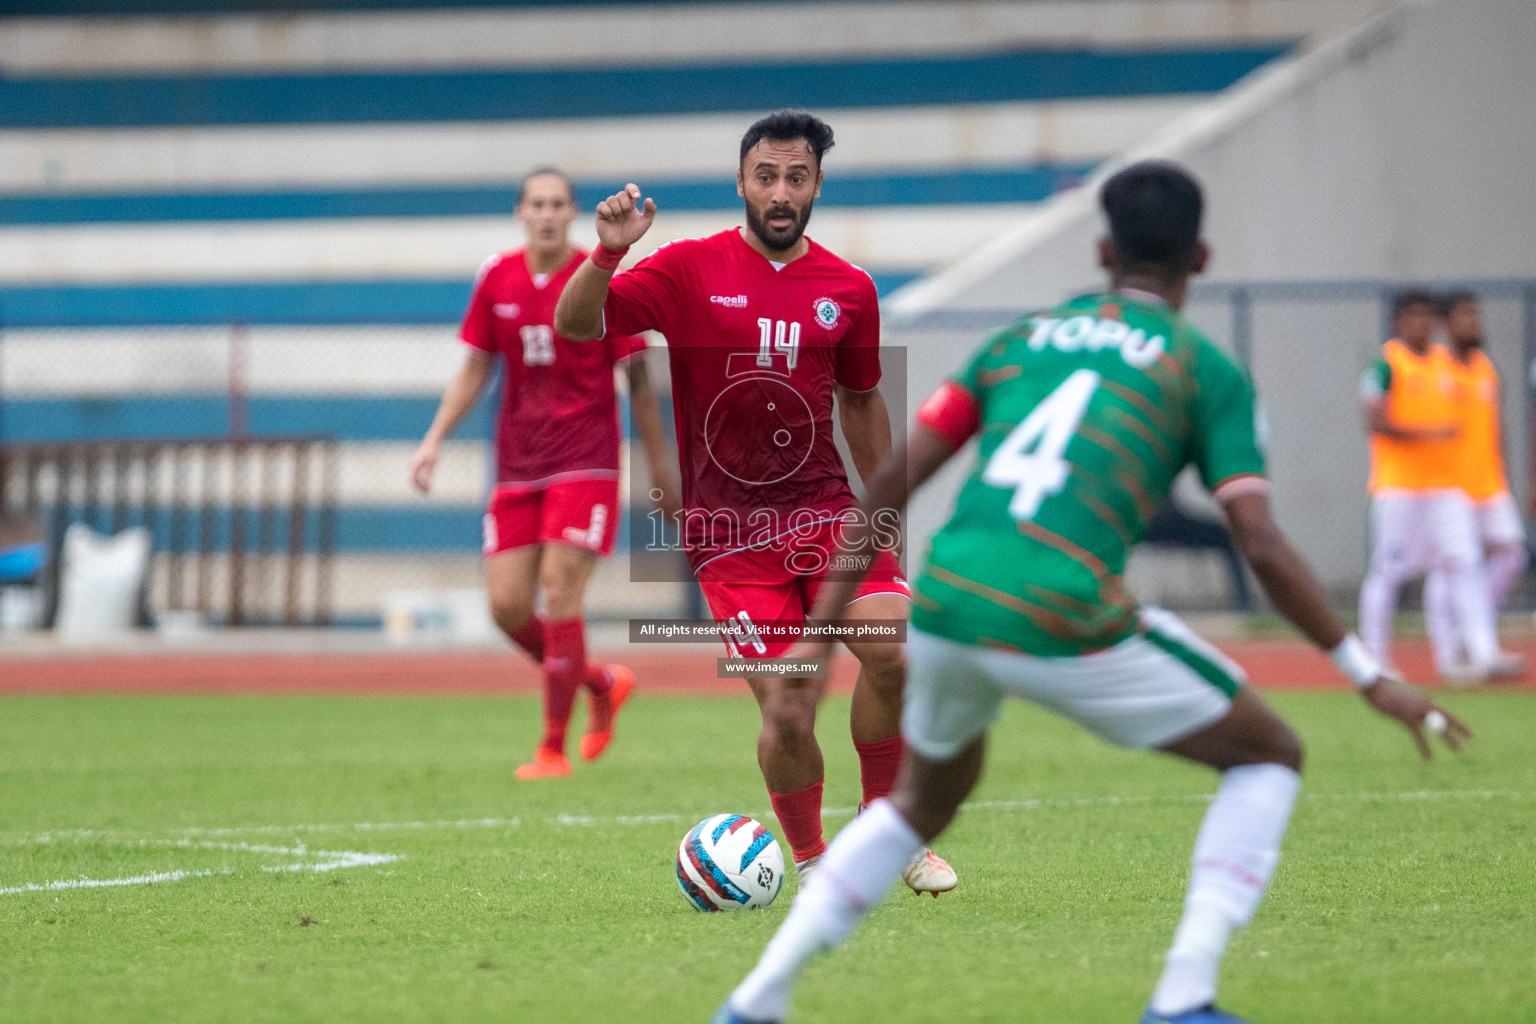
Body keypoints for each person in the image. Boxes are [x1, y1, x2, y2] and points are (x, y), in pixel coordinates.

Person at [711, 160, 1472, 1024]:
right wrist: (1368, 672)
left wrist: (816, 634)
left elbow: (887, 481)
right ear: (1203, 258)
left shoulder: (1022, 340)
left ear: (1104, 251)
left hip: (950, 602)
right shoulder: (1204, 371)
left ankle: (754, 1001)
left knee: (920, 804)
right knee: (1272, 754)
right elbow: (1257, 539)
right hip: (1061, 608)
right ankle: (1185, 996)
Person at [554, 110, 956, 894]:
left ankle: (888, 837)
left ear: (816, 187)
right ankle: (811, 863)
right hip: (730, 536)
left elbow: (863, 404)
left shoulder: (849, 288)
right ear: (741, 182)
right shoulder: (686, 271)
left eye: (796, 178)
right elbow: (577, 329)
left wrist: (886, 524)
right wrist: (606, 253)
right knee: (787, 709)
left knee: (896, 656)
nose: (780, 192)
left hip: (830, 516)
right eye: (766, 176)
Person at [409, 166, 679, 780]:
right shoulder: (496, 277)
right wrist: (433, 440)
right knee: (506, 607)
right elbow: (476, 366)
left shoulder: (596, 277)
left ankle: (552, 748)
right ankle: (602, 682)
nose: (549, 213)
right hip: (516, 466)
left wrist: (660, 465)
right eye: (538, 203)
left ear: (574, 211)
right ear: (521, 212)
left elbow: (638, 377)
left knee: (559, 589)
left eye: (559, 203)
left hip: (585, 461)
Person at [1357, 291, 1500, 679]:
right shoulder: (1386, 364)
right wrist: (1429, 434)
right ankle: (1374, 660)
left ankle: (1482, 655)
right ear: (1399, 321)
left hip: (1445, 488)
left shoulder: (1445, 363)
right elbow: (1375, 420)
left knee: (1466, 563)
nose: (1422, 324)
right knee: (1388, 572)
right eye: (1413, 316)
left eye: (1427, 317)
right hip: (1399, 487)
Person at [1423, 292, 1526, 680]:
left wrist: (1506, 476)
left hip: (1489, 483)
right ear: (1446, 324)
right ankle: (1455, 655)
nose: (1474, 323)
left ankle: (1469, 628)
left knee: (1512, 553)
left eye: (1476, 315)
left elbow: (1495, 429)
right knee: (1450, 567)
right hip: (1448, 486)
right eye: (1465, 316)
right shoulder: (1436, 368)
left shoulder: (1485, 368)